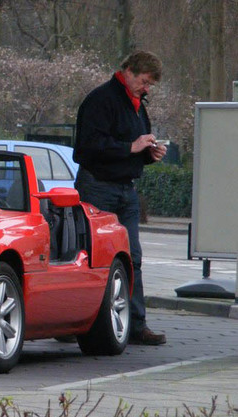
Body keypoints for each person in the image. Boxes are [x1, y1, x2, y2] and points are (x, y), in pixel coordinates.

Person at [73, 50, 168, 346]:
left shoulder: (138, 104)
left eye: (150, 84)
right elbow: (87, 147)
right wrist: (131, 147)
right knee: (95, 258)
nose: (146, 88)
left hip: (126, 189)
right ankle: (84, 322)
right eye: (143, 80)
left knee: (133, 259)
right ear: (127, 71)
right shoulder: (101, 100)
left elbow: (133, 147)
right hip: (98, 187)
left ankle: (135, 324)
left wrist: (149, 155)